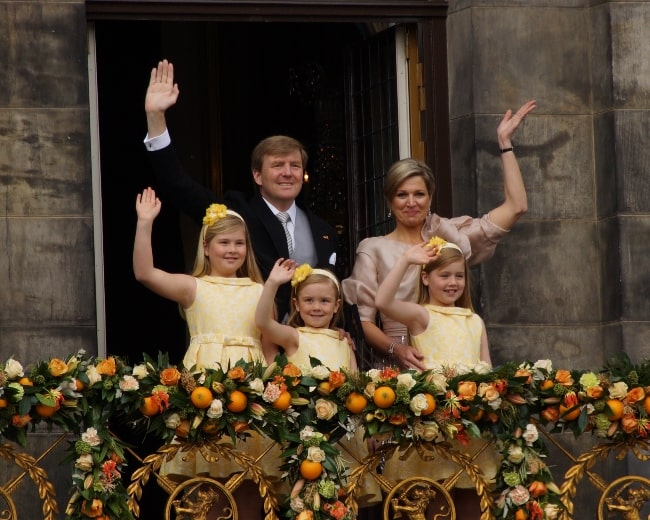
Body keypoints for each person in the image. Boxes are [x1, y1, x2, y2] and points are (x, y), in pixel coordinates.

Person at [342, 99, 536, 371]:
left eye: (419, 194)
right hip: (400, 364)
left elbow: (517, 206)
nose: (411, 202)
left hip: (453, 358)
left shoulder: (449, 236)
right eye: (402, 195)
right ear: (389, 202)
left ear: (430, 197)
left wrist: (504, 142)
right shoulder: (373, 248)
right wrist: (396, 348)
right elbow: (364, 321)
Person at [143, 59, 337, 320]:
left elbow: (335, 291)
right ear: (257, 175)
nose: (288, 172)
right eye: (278, 165)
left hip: (307, 345)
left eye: (295, 165)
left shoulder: (323, 230)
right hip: (251, 339)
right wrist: (156, 118)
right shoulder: (236, 213)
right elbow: (178, 186)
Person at [133, 187, 277, 519]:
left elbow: (270, 350)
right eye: (224, 243)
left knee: (253, 482)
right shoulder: (193, 286)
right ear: (206, 247)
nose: (232, 250)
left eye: (239, 243)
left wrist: (272, 397)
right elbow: (145, 273)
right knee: (206, 485)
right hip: (203, 389)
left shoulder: (260, 289)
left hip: (250, 393)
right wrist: (145, 223)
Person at [375, 237, 495, 519]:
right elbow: (382, 301)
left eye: (459, 275)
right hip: (432, 421)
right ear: (426, 277)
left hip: (470, 423)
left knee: (471, 496)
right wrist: (406, 260)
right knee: (433, 497)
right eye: (444, 275)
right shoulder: (421, 315)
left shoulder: (473, 320)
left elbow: (487, 366)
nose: (452, 282)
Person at [255, 259, 382, 508]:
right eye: (308, 300)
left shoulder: (344, 341)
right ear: (296, 304)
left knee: (341, 500)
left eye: (324, 301)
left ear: (336, 306)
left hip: (343, 436)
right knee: (303, 501)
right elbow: (262, 323)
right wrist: (271, 284)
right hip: (304, 434)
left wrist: (370, 429)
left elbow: (357, 389)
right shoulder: (294, 337)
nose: (316, 307)